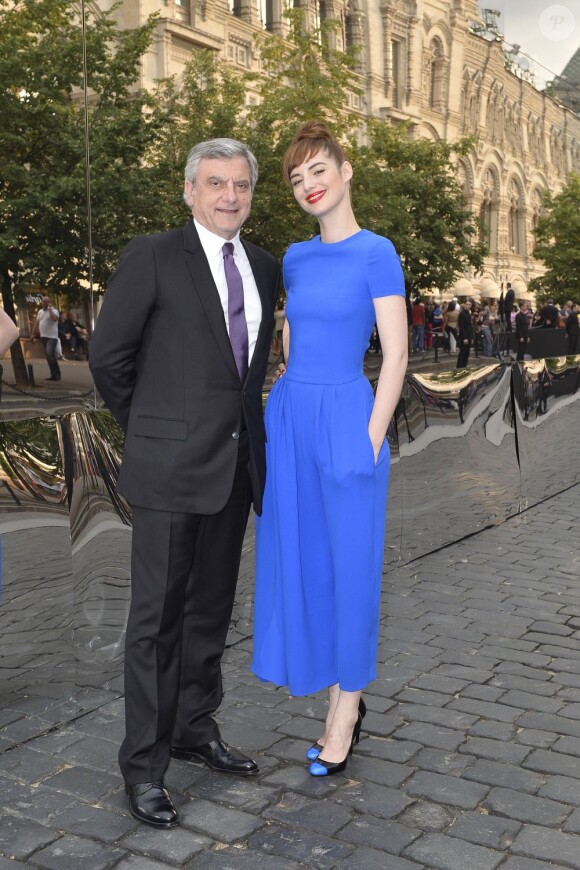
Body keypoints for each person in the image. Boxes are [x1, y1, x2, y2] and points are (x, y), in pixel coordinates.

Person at [89, 138, 278, 829]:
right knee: (156, 624)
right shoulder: (153, 255)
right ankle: (143, 765)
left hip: (234, 472)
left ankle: (196, 730)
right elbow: (109, 357)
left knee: (208, 615)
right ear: (190, 191)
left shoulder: (263, 265)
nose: (230, 196)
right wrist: (152, 427)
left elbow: (247, 374)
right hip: (168, 471)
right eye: (216, 183)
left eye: (241, 185)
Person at [252, 122, 408, 777]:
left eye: (318, 170)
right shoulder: (294, 256)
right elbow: (292, 331)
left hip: (349, 417)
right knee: (305, 561)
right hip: (290, 421)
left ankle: (346, 707)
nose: (308, 185)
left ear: (346, 173)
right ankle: (333, 689)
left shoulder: (377, 252)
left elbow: (396, 353)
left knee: (352, 569)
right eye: (296, 178)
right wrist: (284, 384)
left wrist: (369, 442)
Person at [31, 295, 61, 381]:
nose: (43, 303)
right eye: (42, 302)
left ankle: (57, 374)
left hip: (52, 337)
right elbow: (36, 323)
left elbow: (55, 319)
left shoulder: (54, 311)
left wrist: (50, 310)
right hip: (43, 336)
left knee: (50, 354)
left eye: (45, 302)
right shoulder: (40, 312)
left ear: (49, 303)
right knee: (48, 356)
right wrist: (33, 334)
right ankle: (53, 374)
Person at [457, 299, 473, 368]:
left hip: (469, 336)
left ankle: (464, 366)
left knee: (467, 353)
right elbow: (462, 327)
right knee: (463, 352)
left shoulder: (468, 313)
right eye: (467, 304)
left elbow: (470, 326)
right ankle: (460, 366)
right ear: (464, 305)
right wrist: (464, 338)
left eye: (469, 305)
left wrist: (471, 337)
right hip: (464, 337)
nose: (468, 306)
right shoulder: (462, 314)